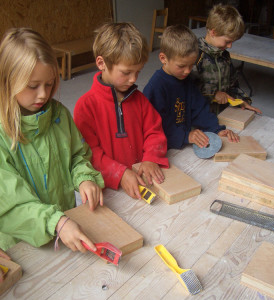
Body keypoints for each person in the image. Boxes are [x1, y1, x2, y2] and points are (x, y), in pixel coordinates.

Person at [0, 28, 105, 254]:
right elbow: (10, 206)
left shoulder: (58, 115)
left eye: (49, 84)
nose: (43, 95)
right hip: (20, 246)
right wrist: (55, 222)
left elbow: (78, 155)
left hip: (65, 231)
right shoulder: (2, 134)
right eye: (32, 86)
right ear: (8, 81)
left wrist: (84, 178)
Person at [74, 22, 169, 200]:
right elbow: (88, 153)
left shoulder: (140, 100)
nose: (133, 79)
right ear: (101, 63)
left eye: (138, 72)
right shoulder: (85, 107)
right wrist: (120, 173)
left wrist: (150, 158)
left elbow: (154, 131)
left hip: (142, 182)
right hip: (108, 191)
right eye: (126, 72)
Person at [143, 24, 239, 150]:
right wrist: (185, 136)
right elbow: (153, 129)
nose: (188, 71)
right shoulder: (155, 88)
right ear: (163, 58)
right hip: (162, 149)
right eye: (181, 66)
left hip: (182, 144)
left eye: (191, 65)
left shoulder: (186, 79)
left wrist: (215, 130)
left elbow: (199, 109)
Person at [192, 4, 262, 115]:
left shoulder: (224, 56)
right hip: (200, 117)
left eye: (232, 42)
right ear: (213, 32)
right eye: (227, 41)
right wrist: (214, 93)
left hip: (222, 113)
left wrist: (242, 101)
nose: (230, 46)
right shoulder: (194, 54)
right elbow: (188, 85)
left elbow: (233, 84)